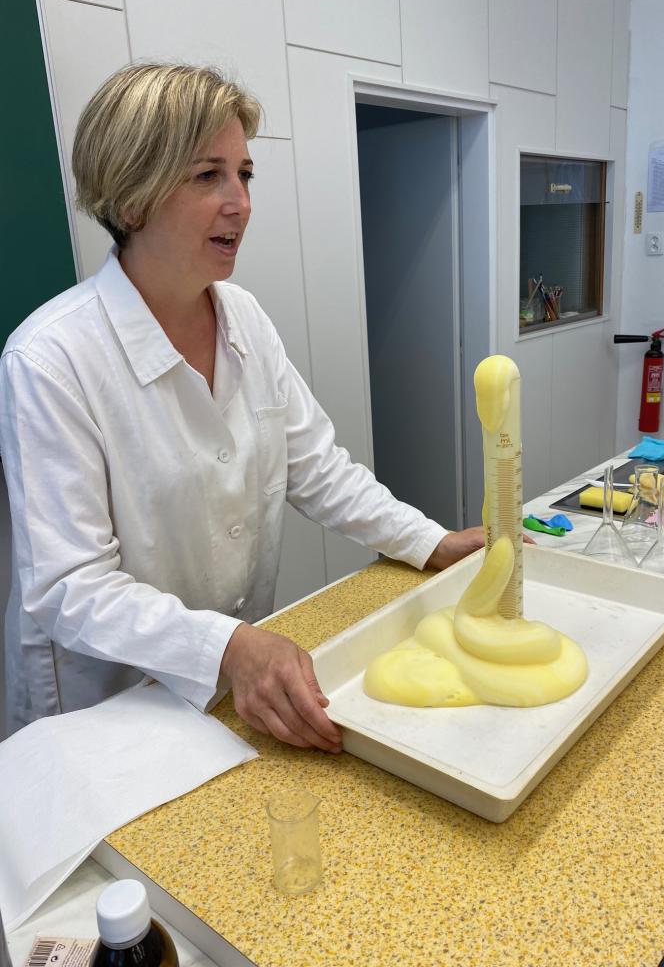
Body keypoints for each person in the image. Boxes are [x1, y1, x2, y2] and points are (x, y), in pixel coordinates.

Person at [0, 63, 484, 747]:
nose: (241, 203)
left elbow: (317, 468)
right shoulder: (51, 359)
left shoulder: (244, 318)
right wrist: (228, 647)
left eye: (245, 174)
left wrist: (429, 541)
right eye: (208, 176)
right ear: (132, 200)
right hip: (103, 709)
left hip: (228, 689)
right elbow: (71, 588)